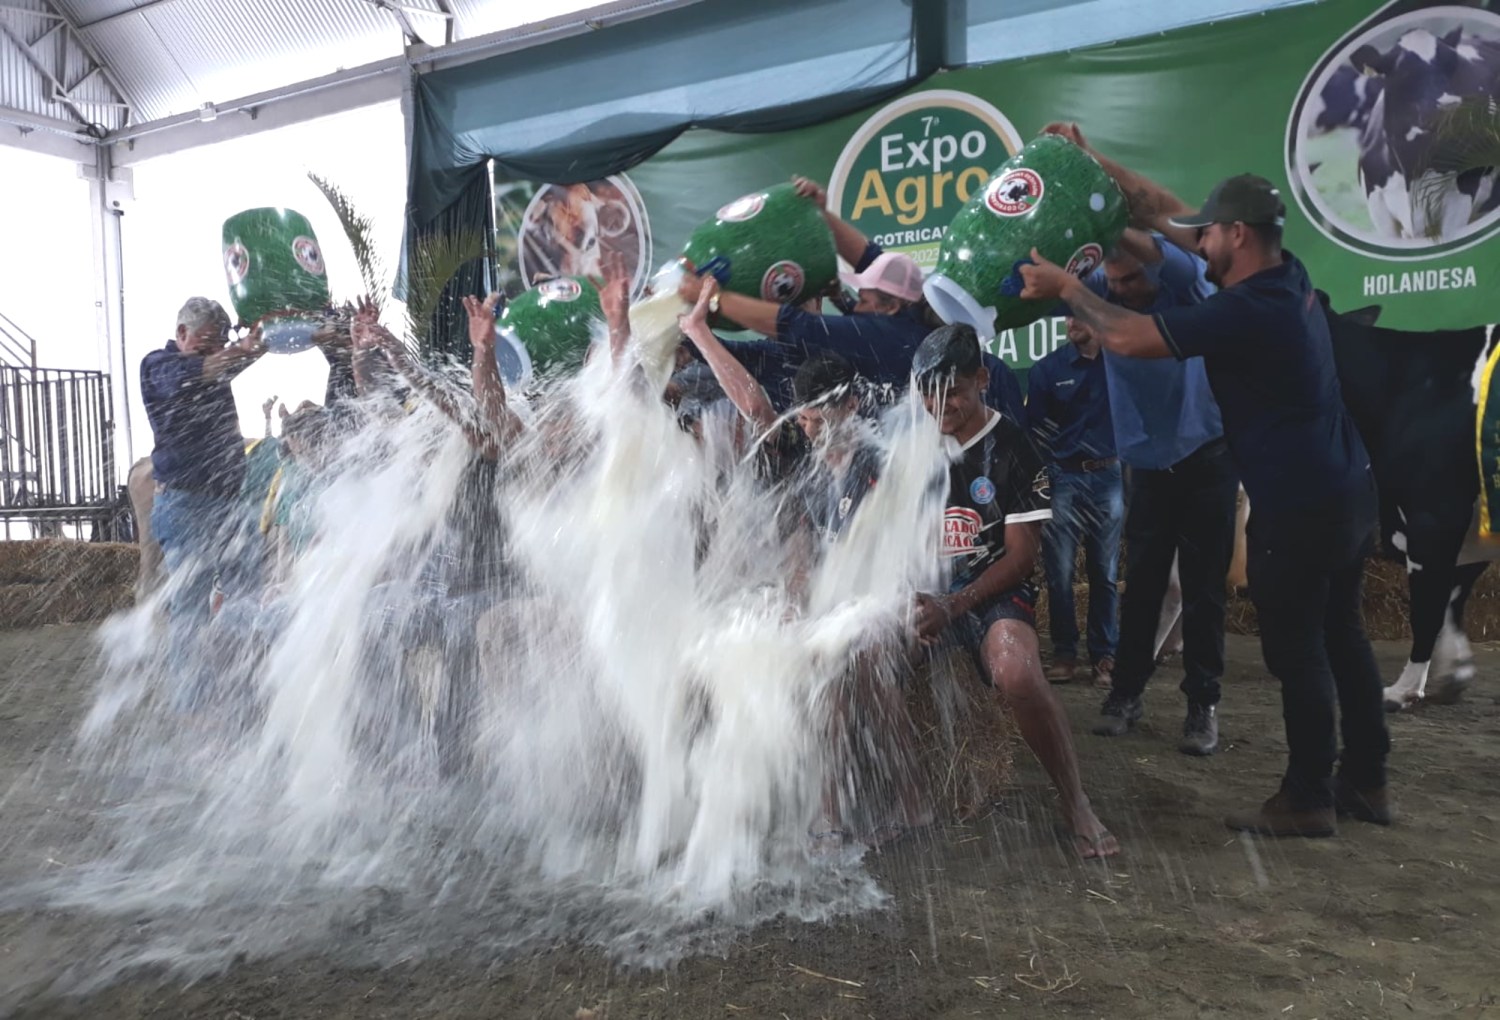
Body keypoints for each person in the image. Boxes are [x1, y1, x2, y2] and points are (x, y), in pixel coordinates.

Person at [1019, 123, 1388, 838]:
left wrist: (1069, 287)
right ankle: (1367, 779)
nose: (1200, 241)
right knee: (1345, 638)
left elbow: (1129, 337)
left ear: (1239, 236)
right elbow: (1158, 207)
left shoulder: (1249, 310)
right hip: (1347, 489)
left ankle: (1309, 795)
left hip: (1298, 505)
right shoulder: (1287, 275)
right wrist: (1087, 157)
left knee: (1300, 649)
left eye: (1211, 233)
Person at [910, 324, 1118, 859]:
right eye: (929, 394)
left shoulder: (1014, 446)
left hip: (991, 593)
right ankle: (902, 798)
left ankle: (1076, 803)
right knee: (863, 657)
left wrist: (953, 604)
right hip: (931, 596)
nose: (940, 406)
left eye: (952, 391)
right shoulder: (910, 447)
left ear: (982, 379)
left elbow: (1022, 556)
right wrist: (909, 600)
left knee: (1018, 672)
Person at [1072, 226, 1239, 757]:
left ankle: (1202, 704)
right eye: (1111, 280)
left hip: (1206, 453)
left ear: (1153, 268)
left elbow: (1170, 261)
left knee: (1204, 588)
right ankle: (1125, 694)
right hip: (1144, 463)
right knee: (1141, 586)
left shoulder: (1187, 285)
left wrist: (1111, 212)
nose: (1119, 289)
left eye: (1129, 279)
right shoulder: (1100, 288)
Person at [784, 351, 928, 848]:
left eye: (820, 420)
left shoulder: (880, 462)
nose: (810, 432)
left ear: (851, 405)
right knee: (825, 663)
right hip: (838, 601)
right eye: (803, 420)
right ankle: (829, 808)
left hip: (891, 595)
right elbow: (802, 548)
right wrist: (795, 600)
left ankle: (911, 799)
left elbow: (902, 554)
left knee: (861, 658)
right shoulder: (812, 470)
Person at [140, 296, 265, 708]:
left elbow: (239, 356)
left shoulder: (216, 360)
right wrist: (238, 350)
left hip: (230, 504)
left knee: (248, 597)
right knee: (191, 609)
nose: (214, 353)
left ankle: (246, 691)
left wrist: (265, 332)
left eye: (219, 345)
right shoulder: (158, 366)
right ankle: (193, 707)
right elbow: (209, 367)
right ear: (181, 334)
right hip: (185, 507)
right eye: (205, 344)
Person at [1024, 316, 1122, 688]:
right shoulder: (1047, 369)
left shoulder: (1120, 365)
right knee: (1060, 573)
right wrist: (1048, 476)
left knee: (1105, 572)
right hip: (1063, 477)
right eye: (1068, 314)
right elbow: (1035, 431)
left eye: (1082, 313)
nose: (1072, 321)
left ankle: (1105, 656)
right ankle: (1065, 654)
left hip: (1109, 474)